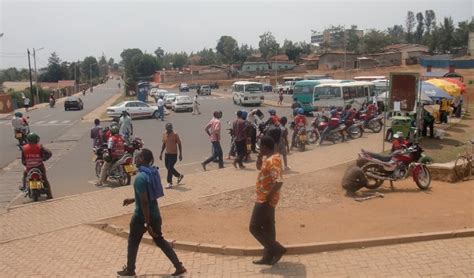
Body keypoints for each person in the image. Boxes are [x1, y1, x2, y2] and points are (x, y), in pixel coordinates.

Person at [118, 149, 187, 277]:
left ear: (143, 159)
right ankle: (179, 266)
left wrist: (147, 224)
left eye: (138, 157)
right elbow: (149, 195)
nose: (135, 159)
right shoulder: (152, 173)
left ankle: (130, 270)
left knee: (133, 242)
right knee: (160, 240)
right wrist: (133, 199)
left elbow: (144, 202)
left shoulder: (139, 178)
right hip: (155, 215)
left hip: (141, 217)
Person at [250, 136, 286, 265]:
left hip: (264, 200)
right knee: (268, 227)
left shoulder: (274, 160)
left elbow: (279, 181)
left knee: (254, 227)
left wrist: (267, 198)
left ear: (265, 147)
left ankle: (277, 249)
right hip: (264, 198)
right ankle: (267, 257)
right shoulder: (267, 158)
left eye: (261, 146)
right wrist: (260, 156)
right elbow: (259, 167)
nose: (260, 148)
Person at [20, 133, 53, 198]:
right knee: (44, 179)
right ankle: (49, 195)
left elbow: (23, 160)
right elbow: (49, 153)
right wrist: (44, 159)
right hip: (39, 167)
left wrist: (26, 164)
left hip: (29, 168)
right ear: (37, 140)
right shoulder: (40, 147)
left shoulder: (24, 148)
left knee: (25, 174)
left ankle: (24, 187)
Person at [159, 123, 184, 189]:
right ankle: (179, 175)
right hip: (167, 154)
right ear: (165, 128)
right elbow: (164, 144)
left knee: (170, 168)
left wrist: (180, 154)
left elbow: (179, 144)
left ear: (172, 128)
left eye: (170, 128)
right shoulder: (164, 134)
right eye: (167, 128)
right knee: (167, 167)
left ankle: (169, 182)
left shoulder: (175, 134)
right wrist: (161, 153)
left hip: (173, 154)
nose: (168, 130)